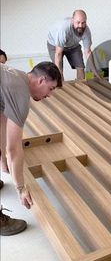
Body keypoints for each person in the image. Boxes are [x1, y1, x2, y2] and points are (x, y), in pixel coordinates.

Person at [0, 61, 62, 235]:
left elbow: (2, 120)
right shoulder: (20, 95)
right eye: (51, 89)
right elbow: (14, 148)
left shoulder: (15, 75)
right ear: (41, 80)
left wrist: (3, 161)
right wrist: (20, 188)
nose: (49, 95)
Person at [47, 9, 100, 80]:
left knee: (81, 68)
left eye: (83, 23)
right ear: (72, 20)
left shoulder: (86, 31)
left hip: (73, 45)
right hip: (55, 45)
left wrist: (95, 72)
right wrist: (59, 74)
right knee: (59, 72)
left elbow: (88, 52)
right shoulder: (64, 29)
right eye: (78, 22)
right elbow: (58, 53)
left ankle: (81, 88)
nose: (80, 26)